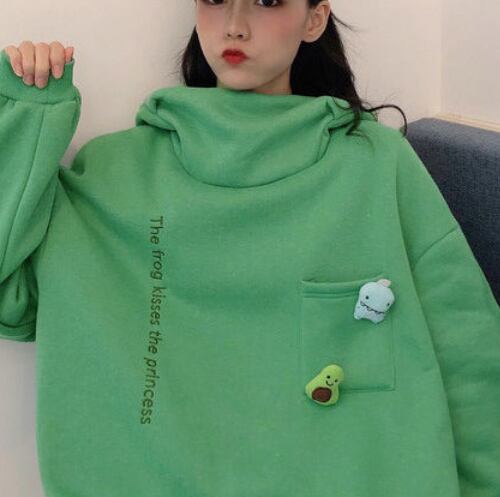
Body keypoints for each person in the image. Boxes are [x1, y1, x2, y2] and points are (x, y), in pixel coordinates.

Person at [1, 1, 499, 497]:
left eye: (267, 1)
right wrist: (31, 116)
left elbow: (469, 354)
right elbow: (12, 302)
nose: (235, 26)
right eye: (215, 0)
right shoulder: (117, 175)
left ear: (314, 19)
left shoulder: (376, 166)